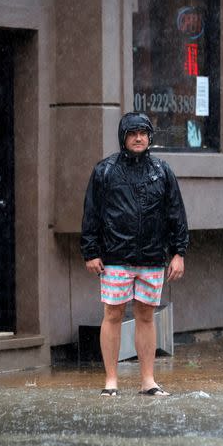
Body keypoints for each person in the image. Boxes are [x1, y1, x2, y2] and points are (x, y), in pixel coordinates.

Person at [81, 112, 189, 397]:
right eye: (133, 133)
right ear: (123, 138)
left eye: (143, 132)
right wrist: (91, 251)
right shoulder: (105, 171)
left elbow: (176, 214)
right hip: (115, 257)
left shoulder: (162, 171)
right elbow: (91, 213)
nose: (138, 137)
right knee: (112, 313)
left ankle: (148, 381)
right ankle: (111, 381)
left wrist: (178, 252)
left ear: (149, 136)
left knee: (146, 315)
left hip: (152, 257)